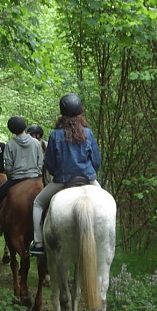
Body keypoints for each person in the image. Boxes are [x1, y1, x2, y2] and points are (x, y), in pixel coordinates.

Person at [29, 93, 102, 255]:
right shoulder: (88, 133)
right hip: (88, 179)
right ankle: (107, 239)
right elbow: (96, 160)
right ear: (79, 111)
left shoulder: (55, 134)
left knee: (38, 204)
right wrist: (90, 173)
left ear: (62, 111)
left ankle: (38, 242)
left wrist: (58, 175)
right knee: (108, 203)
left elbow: (50, 163)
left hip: (63, 180)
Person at [0, 116, 43, 236]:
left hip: (16, 179)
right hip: (35, 177)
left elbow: (8, 167)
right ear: (25, 126)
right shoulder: (36, 143)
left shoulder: (10, 144)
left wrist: (11, 176)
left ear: (12, 130)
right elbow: (40, 163)